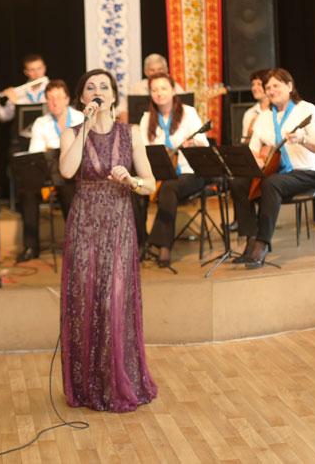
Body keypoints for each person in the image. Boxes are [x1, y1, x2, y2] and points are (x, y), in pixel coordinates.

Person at [58, 69, 158, 412]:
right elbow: (67, 171)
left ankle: (119, 381)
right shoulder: (71, 132)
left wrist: (131, 180)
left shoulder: (131, 133)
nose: (97, 91)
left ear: (114, 95)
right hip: (84, 225)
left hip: (118, 225)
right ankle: (87, 387)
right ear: (82, 98)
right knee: (86, 301)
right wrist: (85, 126)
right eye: (90, 87)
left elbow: (150, 184)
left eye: (104, 86)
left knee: (114, 302)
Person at [229, 68, 315, 268]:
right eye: (268, 87)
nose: (271, 90)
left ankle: (262, 244)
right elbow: (252, 149)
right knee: (238, 183)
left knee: (271, 184)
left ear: (289, 86)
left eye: (276, 85)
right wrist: (256, 159)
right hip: (277, 172)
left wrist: (303, 139)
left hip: (306, 172)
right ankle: (251, 238)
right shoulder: (265, 117)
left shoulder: (306, 109)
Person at [138, 73, 209, 266]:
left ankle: (164, 247)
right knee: (134, 189)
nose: (159, 93)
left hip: (189, 173)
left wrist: (193, 143)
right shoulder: (147, 118)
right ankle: (140, 242)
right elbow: (142, 150)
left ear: (173, 90)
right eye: (154, 90)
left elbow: (204, 143)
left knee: (169, 187)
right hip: (159, 174)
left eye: (163, 88)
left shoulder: (188, 113)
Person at [16, 79, 84, 263]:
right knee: (27, 192)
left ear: (67, 99)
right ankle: (31, 246)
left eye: (59, 98)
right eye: (50, 98)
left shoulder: (80, 118)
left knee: (69, 190)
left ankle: (76, 245)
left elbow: (86, 149)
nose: (54, 102)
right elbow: (36, 154)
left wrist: (52, 148)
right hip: (48, 173)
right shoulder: (41, 122)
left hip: (74, 174)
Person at [119, 53, 185, 123]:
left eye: (160, 69)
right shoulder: (137, 88)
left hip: (170, 123)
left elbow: (184, 106)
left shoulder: (174, 86)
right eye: (152, 70)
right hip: (141, 125)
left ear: (166, 70)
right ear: (146, 72)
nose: (156, 73)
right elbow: (122, 109)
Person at [0, 54, 50, 122]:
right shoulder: (19, 91)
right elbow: (5, 117)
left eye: (39, 68)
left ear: (44, 68)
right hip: (25, 128)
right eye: (32, 70)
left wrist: (17, 103)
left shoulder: (53, 89)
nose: (37, 73)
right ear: (26, 72)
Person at [240, 69, 269, 144]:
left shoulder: (278, 110)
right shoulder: (249, 113)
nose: (254, 88)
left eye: (259, 84)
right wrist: (250, 133)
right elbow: (244, 145)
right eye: (253, 84)